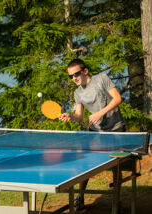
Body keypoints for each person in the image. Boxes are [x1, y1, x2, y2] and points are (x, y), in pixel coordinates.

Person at [59, 58, 125, 211]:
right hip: (96, 132)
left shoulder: (101, 79)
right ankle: (80, 197)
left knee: (116, 167)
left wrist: (99, 113)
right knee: (86, 165)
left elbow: (118, 98)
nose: (74, 78)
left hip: (116, 129)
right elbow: (79, 116)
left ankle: (117, 200)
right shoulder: (77, 93)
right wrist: (70, 116)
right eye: (70, 76)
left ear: (85, 71)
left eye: (76, 74)